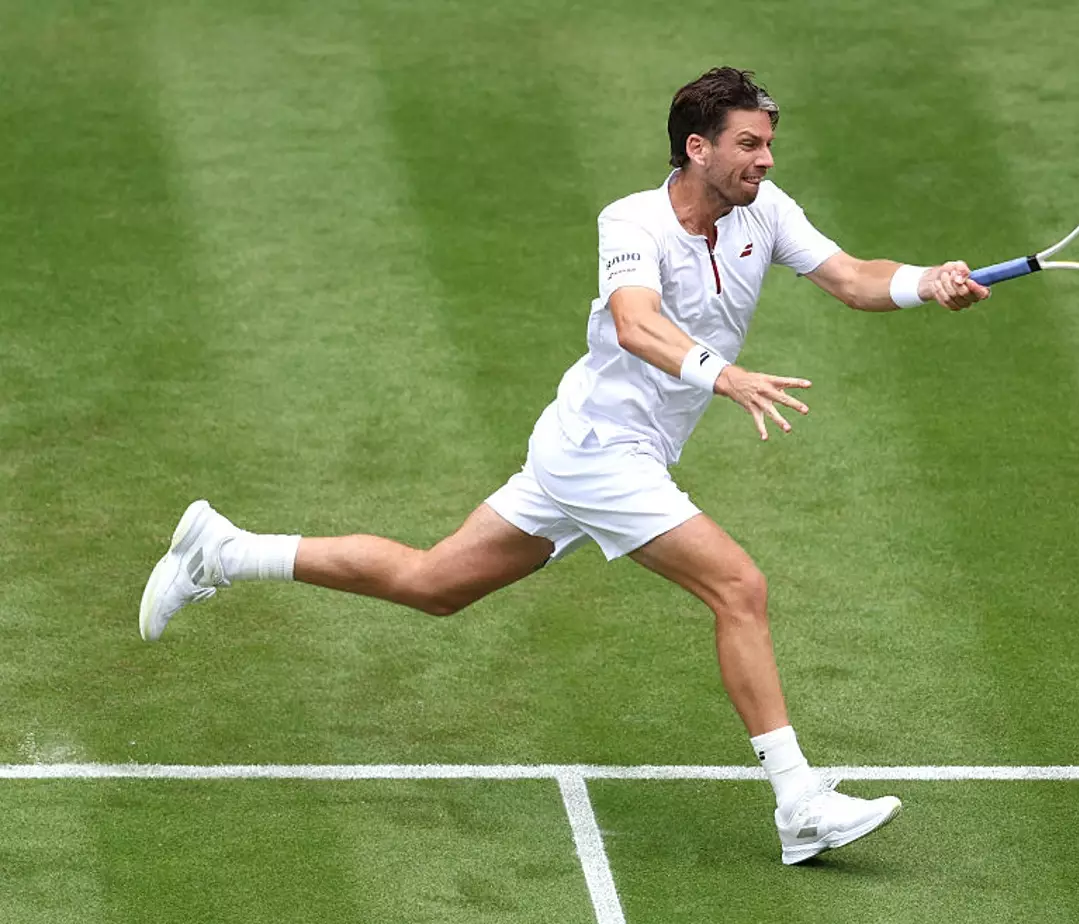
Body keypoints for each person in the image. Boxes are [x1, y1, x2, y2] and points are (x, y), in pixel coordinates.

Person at [139, 66, 989, 864]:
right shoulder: (632, 221)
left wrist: (927, 281)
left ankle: (222, 550)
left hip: (596, 447)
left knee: (436, 583)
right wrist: (722, 374)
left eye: (768, 145)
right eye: (749, 145)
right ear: (698, 147)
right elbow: (634, 324)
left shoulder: (766, 211)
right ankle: (798, 802)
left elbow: (851, 278)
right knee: (739, 587)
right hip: (599, 454)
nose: (765, 160)